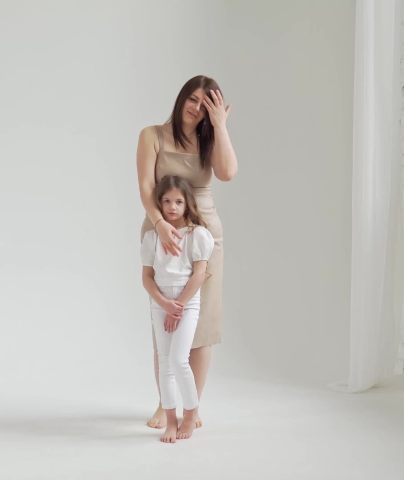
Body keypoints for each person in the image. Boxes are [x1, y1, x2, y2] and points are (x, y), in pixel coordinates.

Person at [137, 75, 238, 429]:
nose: (196, 109)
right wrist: (159, 224)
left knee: (201, 325)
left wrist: (220, 125)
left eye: (205, 104)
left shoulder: (210, 139)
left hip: (204, 235)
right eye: (192, 100)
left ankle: (192, 408)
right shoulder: (152, 135)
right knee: (164, 324)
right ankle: (165, 407)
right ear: (181, 99)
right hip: (162, 231)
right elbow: (147, 186)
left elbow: (228, 172)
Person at [141, 175, 214, 443]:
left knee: (178, 359)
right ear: (159, 204)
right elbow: (147, 278)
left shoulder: (197, 235)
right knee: (164, 361)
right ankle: (171, 420)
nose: (172, 206)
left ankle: (190, 413)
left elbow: (199, 275)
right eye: (166, 201)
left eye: (178, 201)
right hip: (160, 303)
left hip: (186, 303)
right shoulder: (152, 238)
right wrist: (164, 304)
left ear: (187, 205)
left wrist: (178, 306)